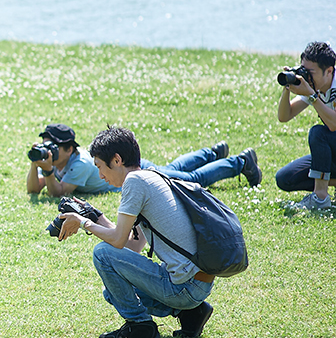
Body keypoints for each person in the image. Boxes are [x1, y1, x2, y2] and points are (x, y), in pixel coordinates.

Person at [57, 126, 215, 338]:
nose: (100, 175)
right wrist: (95, 216)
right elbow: (133, 246)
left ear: (117, 160)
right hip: (197, 284)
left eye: (101, 167)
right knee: (112, 292)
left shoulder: (134, 183)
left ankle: (140, 326)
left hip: (184, 287)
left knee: (102, 253)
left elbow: (118, 242)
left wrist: (83, 222)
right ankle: (191, 313)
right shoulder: (150, 177)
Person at [27, 123, 261, 196]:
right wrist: (34, 163)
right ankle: (213, 153)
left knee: (191, 179)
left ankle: (241, 162)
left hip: (137, 171)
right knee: (174, 168)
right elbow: (33, 189)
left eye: (54, 146)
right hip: (134, 167)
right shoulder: (56, 162)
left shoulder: (79, 164)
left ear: (69, 149)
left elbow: (57, 193)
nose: (50, 150)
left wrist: (46, 171)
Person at [275, 41, 336, 211]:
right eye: (304, 70)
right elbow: (284, 116)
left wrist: (311, 96)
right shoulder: (314, 88)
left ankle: (320, 198)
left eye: (311, 72)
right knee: (285, 178)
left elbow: (333, 125)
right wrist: (288, 87)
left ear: (329, 71)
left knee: (319, 133)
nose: (307, 77)